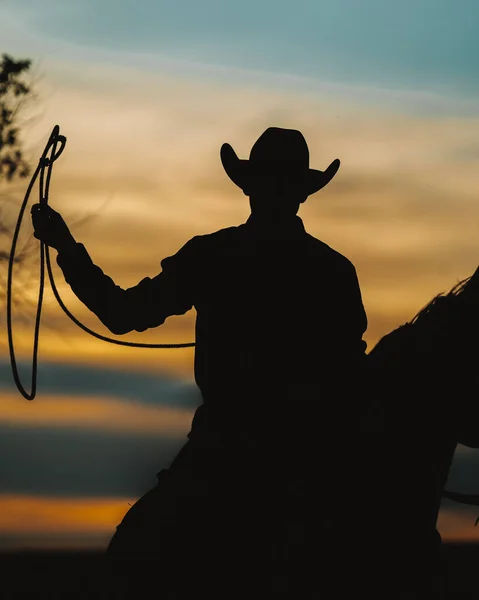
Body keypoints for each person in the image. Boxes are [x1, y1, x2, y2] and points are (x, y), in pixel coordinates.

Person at [31, 127, 369, 598]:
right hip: (305, 465)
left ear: (250, 186)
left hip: (220, 458)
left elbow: (124, 313)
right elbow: (353, 379)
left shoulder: (215, 255)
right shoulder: (333, 271)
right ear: (301, 193)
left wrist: (66, 247)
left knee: (135, 558)